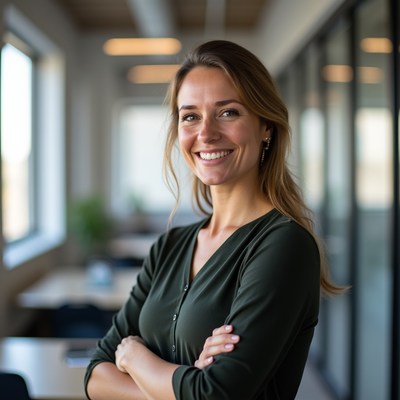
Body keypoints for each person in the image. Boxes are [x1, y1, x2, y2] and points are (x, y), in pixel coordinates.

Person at [84, 40, 342, 400]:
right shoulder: (170, 246)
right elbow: (95, 377)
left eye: (228, 112)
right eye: (190, 116)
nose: (206, 133)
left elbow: (217, 395)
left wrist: (134, 358)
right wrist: (181, 385)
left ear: (266, 125)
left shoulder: (284, 246)